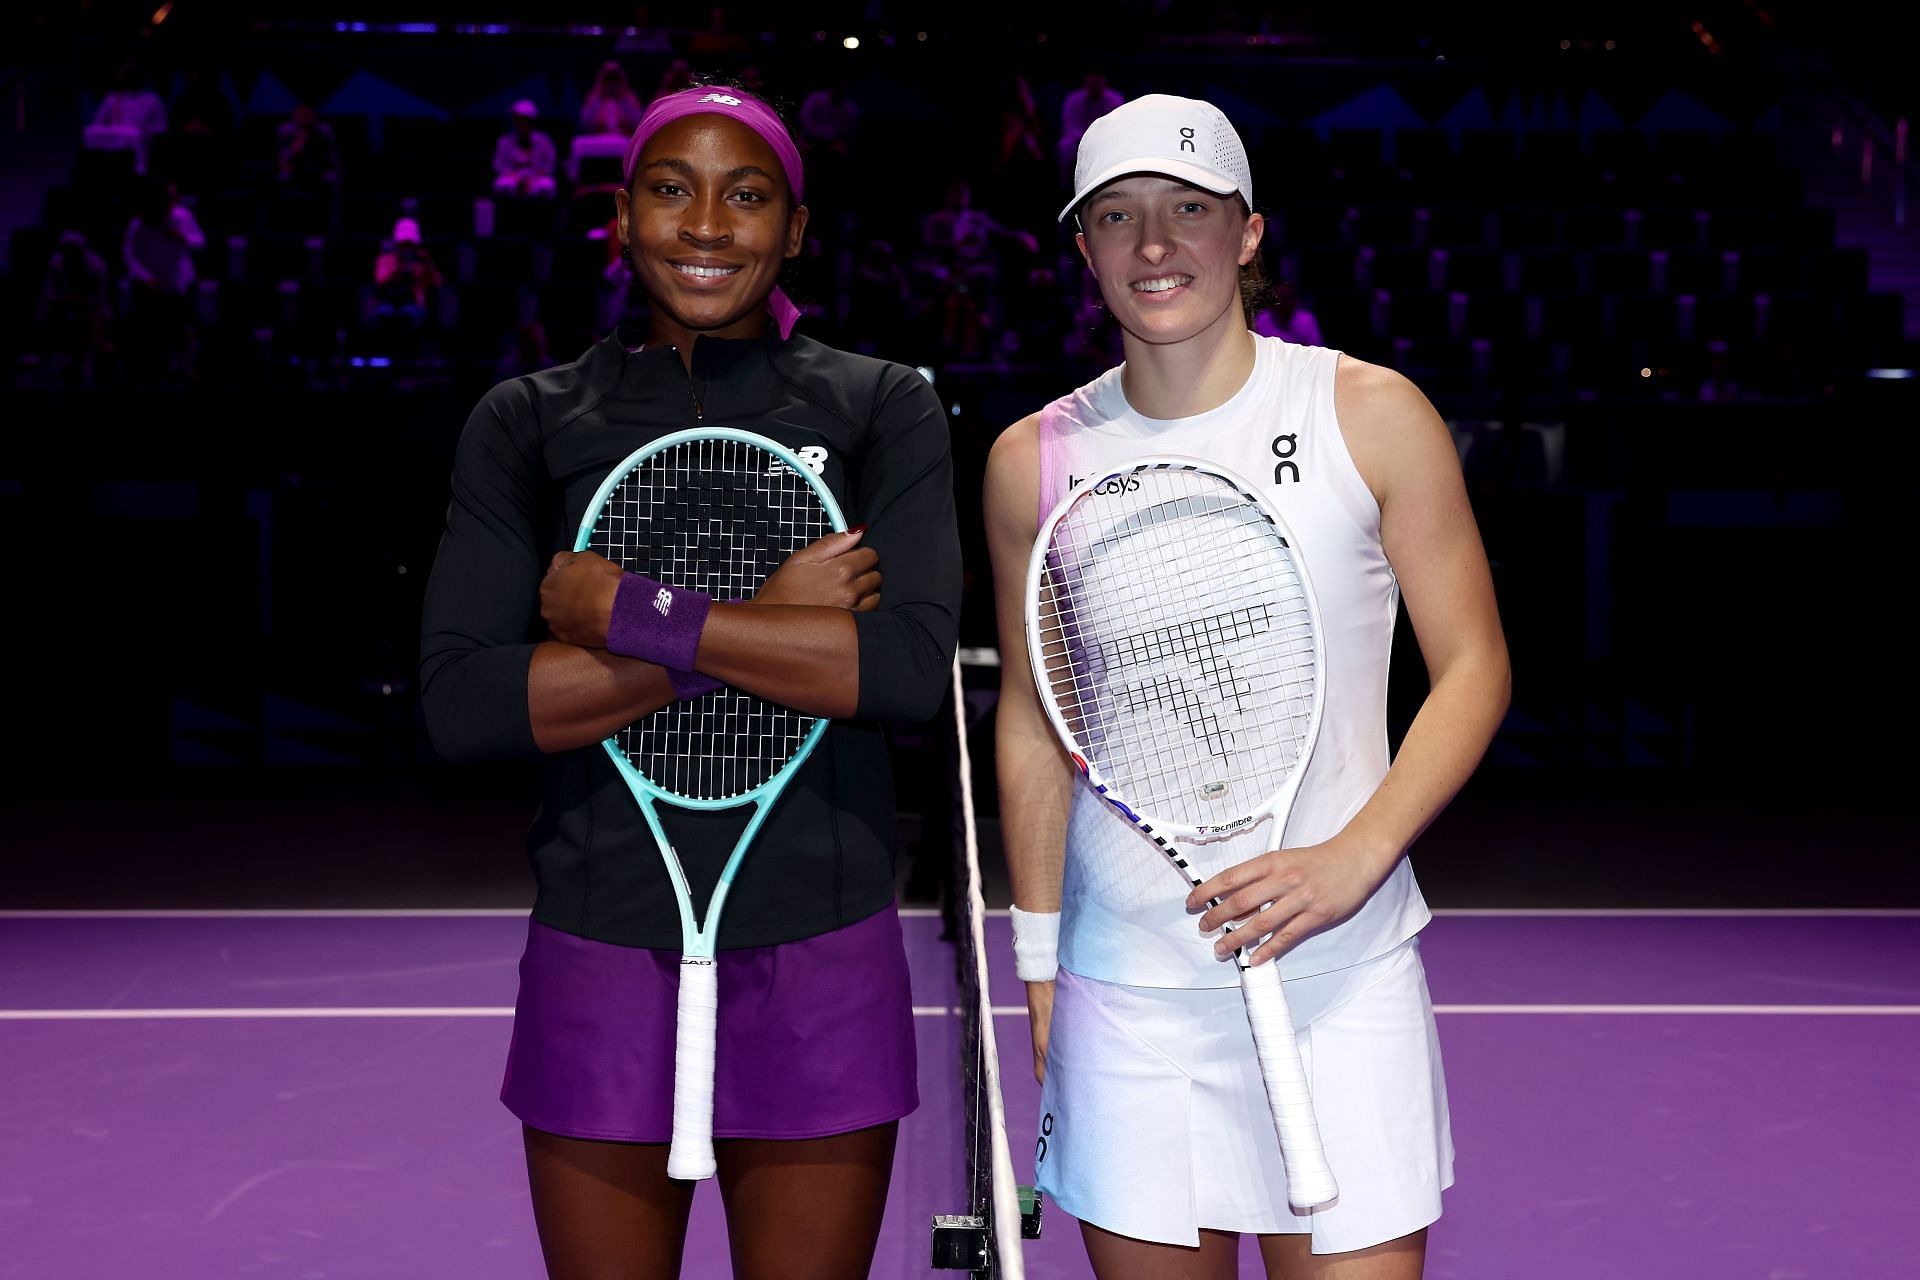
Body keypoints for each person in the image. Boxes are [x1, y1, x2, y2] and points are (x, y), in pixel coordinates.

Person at [418, 81, 960, 1280]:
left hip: (823, 937)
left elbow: (907, 671)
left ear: (797, 229)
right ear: (622, 215)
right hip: (599, 932)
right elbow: (465, 704)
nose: (707, 223)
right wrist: (775, 626)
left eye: (746, 194)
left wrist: (624, 613)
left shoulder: (882, 407)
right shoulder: (527, 421)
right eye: (672, 190)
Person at [984, 94, 1510, 1278]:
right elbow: (1032, 713)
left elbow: (1474, 665)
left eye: (1189, 211)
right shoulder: (1034, 459)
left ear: (1250, 231)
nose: (1155, 244)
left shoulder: (1367, 414)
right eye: (1117, 216)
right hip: (1126, 990)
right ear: (1084, 247)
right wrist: (1037, 965)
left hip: (1344, 978)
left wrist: (1352, 856)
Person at [493, 99, 559, 199]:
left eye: (522, 119)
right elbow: (498, 165)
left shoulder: (544, 140)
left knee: (547, 185)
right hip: (513, 177)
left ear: (530, 121)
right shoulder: (505, 141)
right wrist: (515, 177)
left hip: (536, 178)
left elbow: (550, 165)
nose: (518, 123)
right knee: (501, 185)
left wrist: (533, 178)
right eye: (516, 119)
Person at [1254, 280, 1324, 346]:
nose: (1281, 303)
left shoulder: (1307, 320)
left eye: (1285, 298)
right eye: (1278, 299)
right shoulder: (1262, 320)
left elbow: (1316, 348)